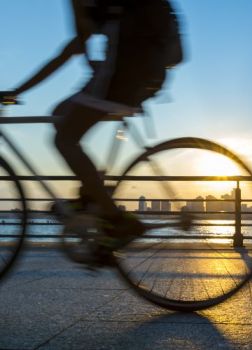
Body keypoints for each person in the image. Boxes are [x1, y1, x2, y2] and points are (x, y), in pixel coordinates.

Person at [5, 0, 183, 262]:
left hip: (123, 72)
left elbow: (75, 45)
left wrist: (18, 91)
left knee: (65, 138)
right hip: (141, 72)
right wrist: (19, 91)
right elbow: (78, 45)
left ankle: (115, 219)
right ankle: (91, 196)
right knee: (60, 114)